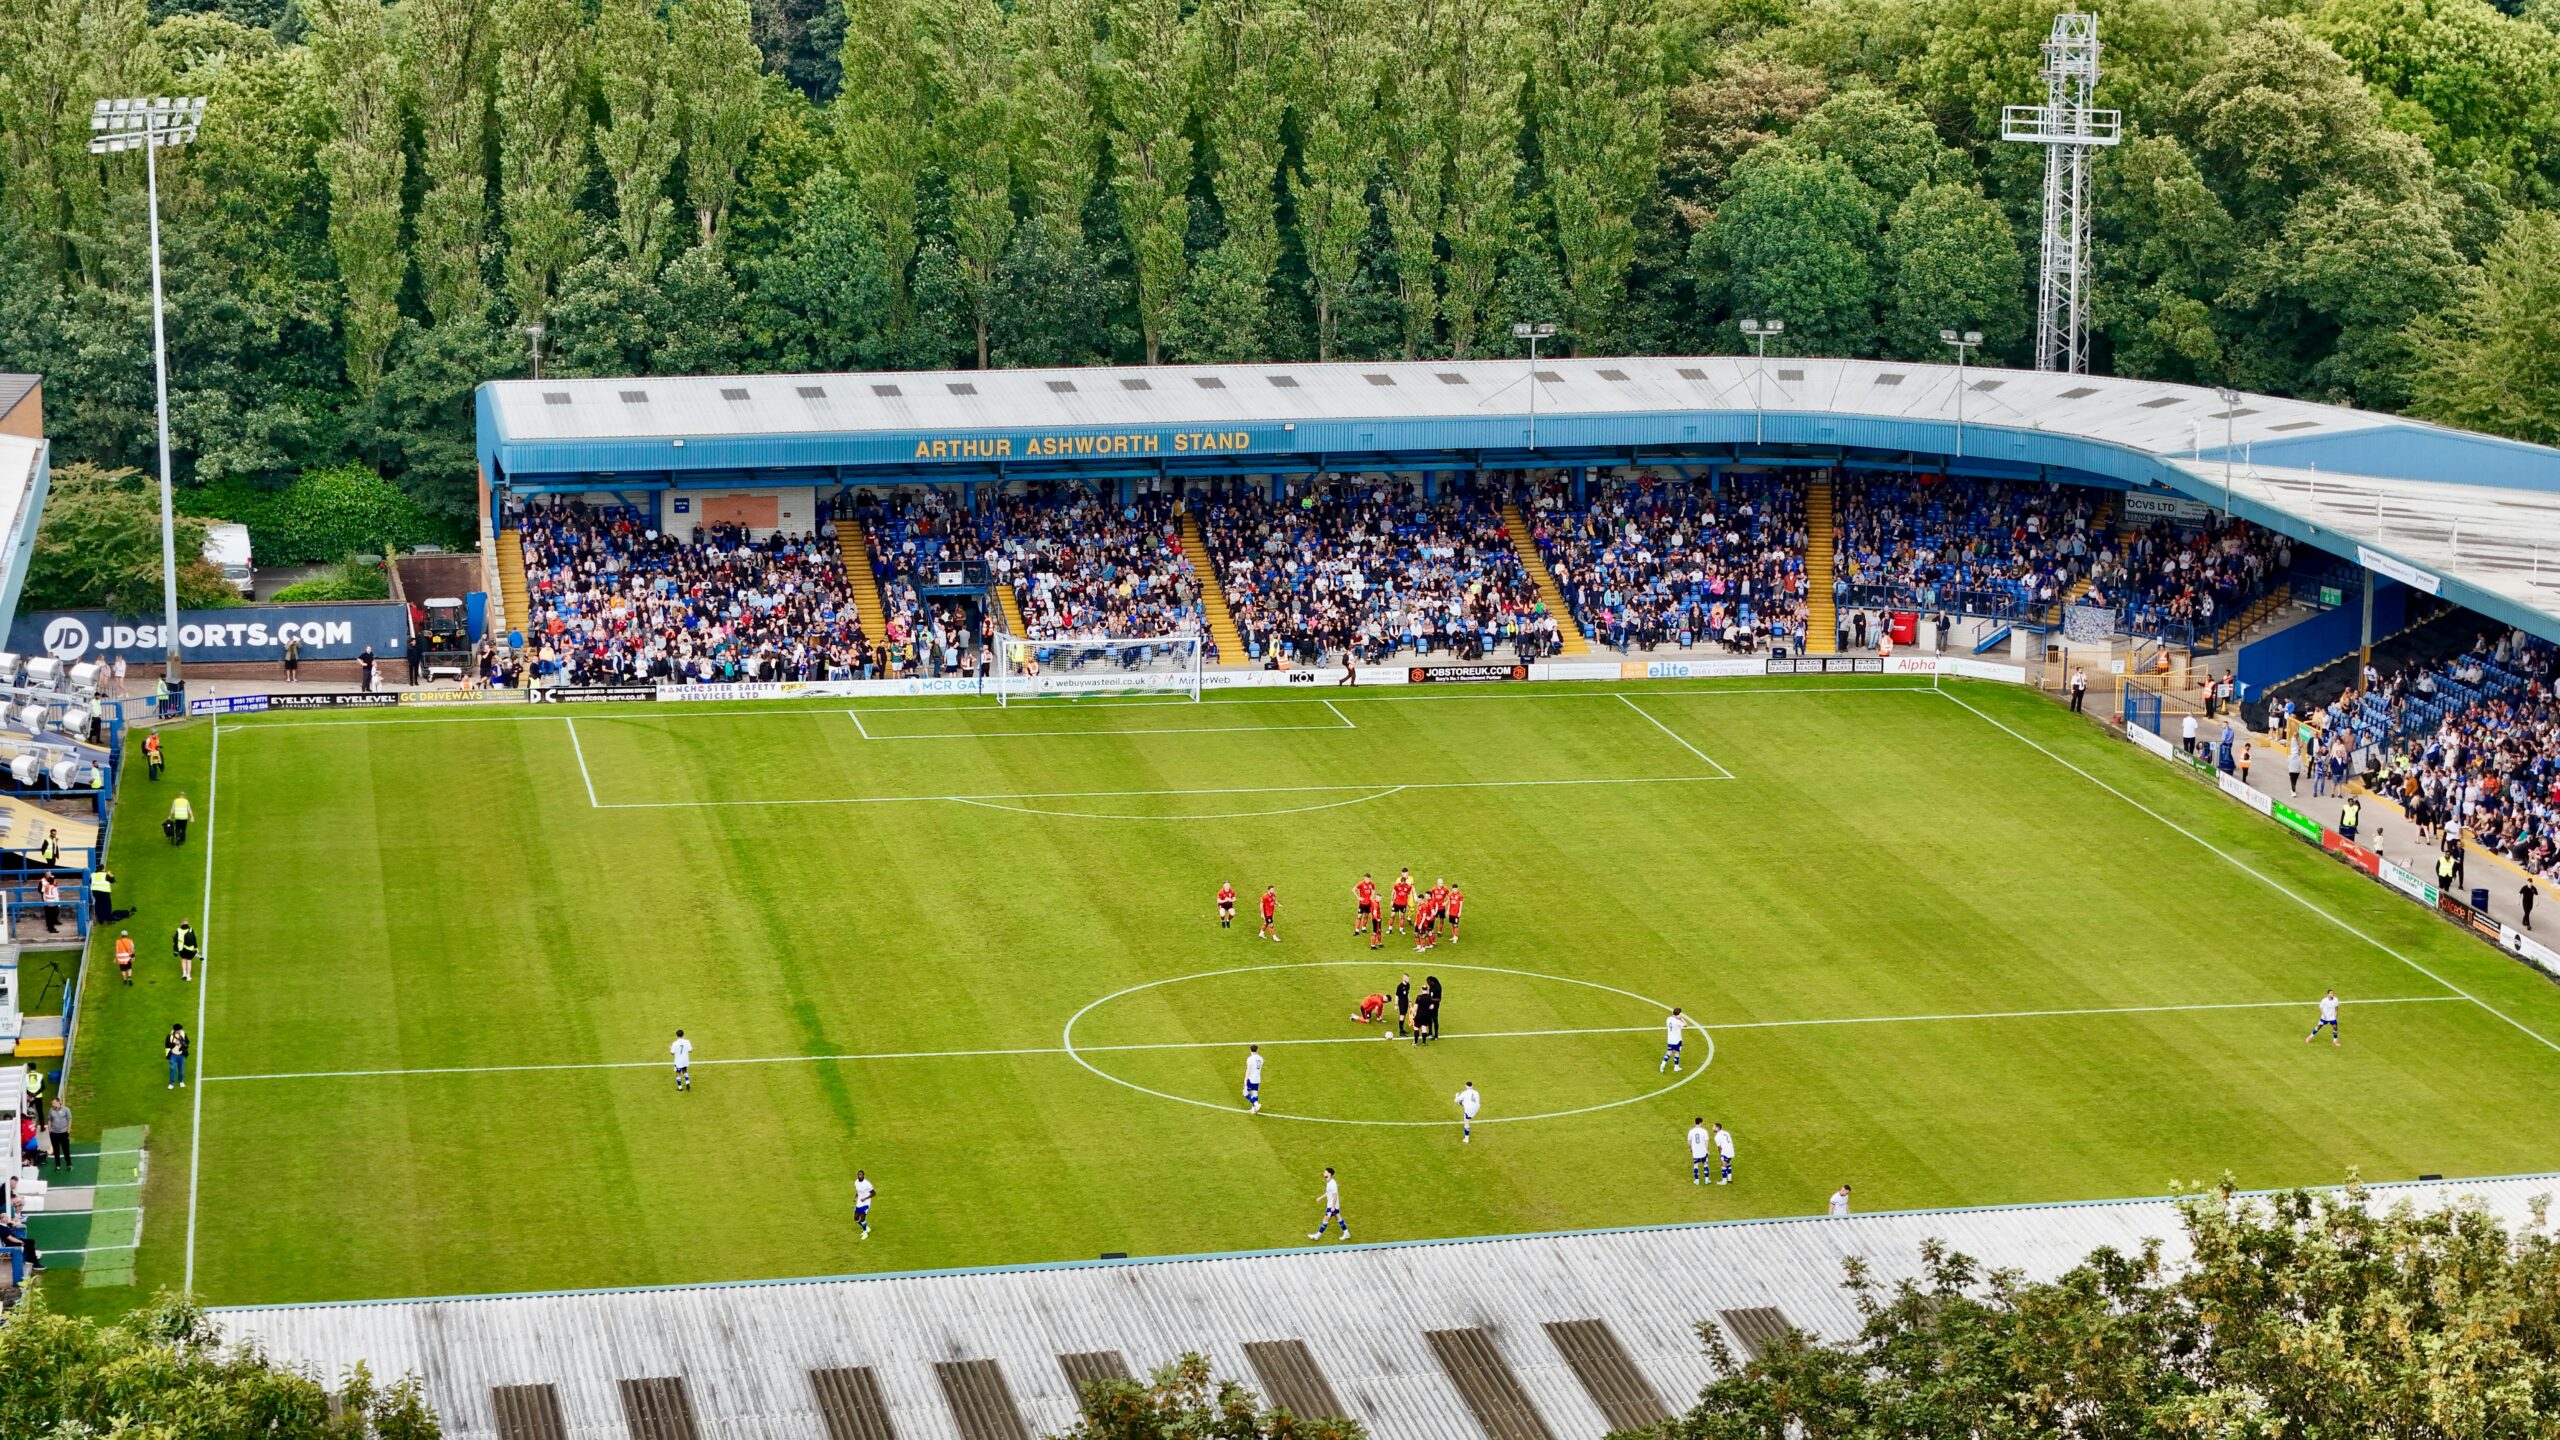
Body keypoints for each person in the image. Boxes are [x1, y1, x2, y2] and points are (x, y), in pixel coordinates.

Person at [1308, 1166, 1348, 1241]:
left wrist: (1332, 1207)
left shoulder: (1332, 1184)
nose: (1324, 1173)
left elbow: (1335, 1196)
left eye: (1325, 1172)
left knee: (1325, 1220)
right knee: (1339, 1218)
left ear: (1329, 1174)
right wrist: (1320, 1198)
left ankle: (1316, 1236)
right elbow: (1328, 1193)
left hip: (1332, 1206)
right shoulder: (1329, 1182)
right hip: (1333, 1205)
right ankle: (1347, 1233)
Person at [1661, 1007, 1689, 1073]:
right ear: (1679, 1014)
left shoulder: (1668, 1019)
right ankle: (1676, 1067)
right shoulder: (1678, 1022)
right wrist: (1681, 1018)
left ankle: (1663, 1064)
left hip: (1670, 1039)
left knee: (1668, 1052)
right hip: (1677, 1039)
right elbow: (1686, 1025)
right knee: (1677, 1052)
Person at [46, 1095, 69, 1170]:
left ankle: (68, 1163)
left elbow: (69, 1119)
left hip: (63, 1132)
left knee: (66, 1149)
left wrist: (68, 1130)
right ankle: (57, 1165)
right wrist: (49, 1130)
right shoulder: (51, 1110)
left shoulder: (65, 1109)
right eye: (52, 1103)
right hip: (54, 1133)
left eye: (54, 1103)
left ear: (58, 1102)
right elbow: (49, 1120)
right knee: (56, 1150)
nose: (52, 1105)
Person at [1688, 1117, 1712, 1185]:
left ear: (1695, 1122)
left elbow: (1689, 1141)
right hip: (1703, 1151)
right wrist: (1707, 1150)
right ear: (1701, 1122)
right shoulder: (1704, 1131)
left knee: (1695, 1165)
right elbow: (1706, 1142)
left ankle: (1697, 1181)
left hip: (1695, 1151)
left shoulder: (1691, 1131)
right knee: (1705, 1164)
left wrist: (1690, 1148)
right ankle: (1707, 1180)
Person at [165, 1023, 188, 1089]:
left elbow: (187, 1041)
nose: (181, 1030)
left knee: (181, 1069)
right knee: (172, 1069)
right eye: (180, 1030)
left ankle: (181, 1081)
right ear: (176, 1030)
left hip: (181, 1055)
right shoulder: (170, 1036)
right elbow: (167, 1045)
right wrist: (174, 1043)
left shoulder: (183, 1033)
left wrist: (183, 1044)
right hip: (173, 1055)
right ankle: (171, 1083)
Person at [1242, 1044, 1264, 1114]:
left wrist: (1246, 1078)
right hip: (1257, 1078)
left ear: (1250, 1050)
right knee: (1255, 1092)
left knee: (1245, 1093)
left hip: (1251, 1078)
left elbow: (1248, 1070)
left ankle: (1256, 1104)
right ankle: (1253, 1109)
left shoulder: (1250, 1059)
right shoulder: (1261, 1059)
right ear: (1257, 1050)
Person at [854, 1170, 875, 1240]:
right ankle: (866, 1227)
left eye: (861, 1174)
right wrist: (855, 1196)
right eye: (859, 1174)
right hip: (859, 1202)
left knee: (862, 1218)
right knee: (856, 1218)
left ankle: (865, 1233)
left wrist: (865, 1198)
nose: (860, 1176)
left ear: (863, 1175)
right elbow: (858, 1190)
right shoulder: (856, 1182)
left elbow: (873, 1193)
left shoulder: (867, 1184)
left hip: (866, 1202)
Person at [1391, 870, 1414, 935]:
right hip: (1396, 903)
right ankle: (1390, 928)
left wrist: (1408, 898)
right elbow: (1393, 892)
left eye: (1402, 882)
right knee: (1392, 915)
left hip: (1403, 904)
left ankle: (1401, 929)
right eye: (1401, 882)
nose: (1401, 883)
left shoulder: (1408, 886)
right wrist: (1392, 901)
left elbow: (1409, 892)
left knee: (1402, 916)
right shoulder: (1397, 885)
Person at [1395, 973, 1414, 1038]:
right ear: (1404, 978)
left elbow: (1408, 994)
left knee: (1404, 1015)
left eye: (1408, 978)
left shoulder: (1408, 985)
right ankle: (1401, 1032)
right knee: (1402, 1016)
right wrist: (1396, 1004)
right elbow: (1396, 995)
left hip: (1406, 1002)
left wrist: (1409, 1001)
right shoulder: (1400, 986)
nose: (1408, 980)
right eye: (1407, 978)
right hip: (1401, 1003)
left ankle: (1402, 1030)